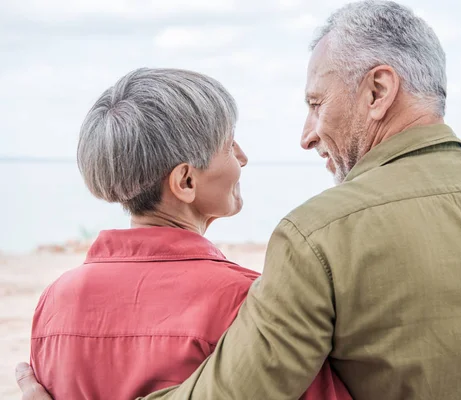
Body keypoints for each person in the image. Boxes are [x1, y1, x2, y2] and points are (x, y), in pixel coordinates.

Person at [17, 1, 461, 399]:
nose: (305, 133)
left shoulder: (316, 234)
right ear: (184, 180)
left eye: (316, 103)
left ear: (378, 90)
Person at [22, 68, 351, 400]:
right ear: (185, 182)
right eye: (228, 144)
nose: (242, 158)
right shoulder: (243, 301)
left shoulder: (56, 300)